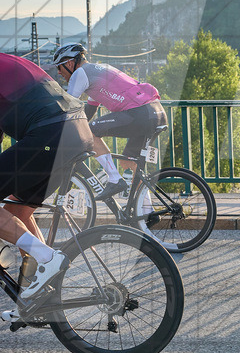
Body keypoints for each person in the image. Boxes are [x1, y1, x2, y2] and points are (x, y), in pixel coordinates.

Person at [0, 53, 93, 310]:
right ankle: (41, 291)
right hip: (77, 128)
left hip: (52, 132)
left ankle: (47, 258)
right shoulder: (7, 62)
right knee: (18, 210)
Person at [52, 43, 165, 200]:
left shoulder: (80, 74)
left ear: (69, 63)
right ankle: (144, 211)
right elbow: (90, 109)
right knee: (129, 163)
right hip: (154, 111)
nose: (59, 72)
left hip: (139, 113)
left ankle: (114, 179)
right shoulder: (100, 69)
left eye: (60, 67)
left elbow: (67, 107)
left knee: (90, 132)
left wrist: (59, 132)